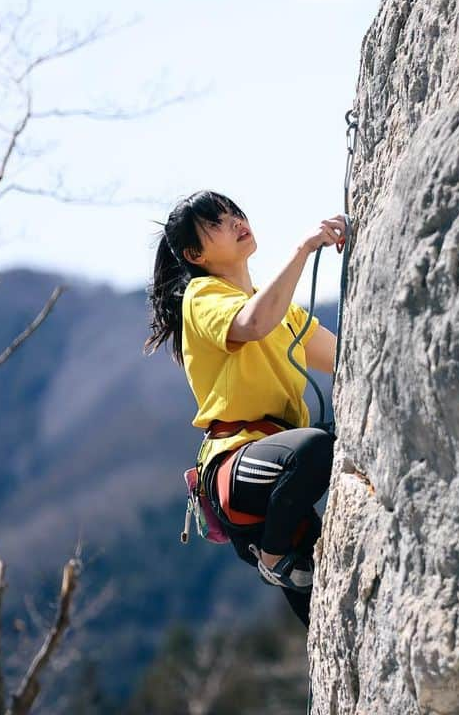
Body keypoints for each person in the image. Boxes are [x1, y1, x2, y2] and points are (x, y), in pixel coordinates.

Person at [144, 190, 344, 627]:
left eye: (235, 212)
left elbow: (346, 355)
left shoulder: (281, 312)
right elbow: (251, 324)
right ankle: (273, 559)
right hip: (237, 467)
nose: (235, 221)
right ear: (194, 254)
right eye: (217, 221)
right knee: (316, 447)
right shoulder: (202, 296)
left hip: (280, 477)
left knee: (330, 620)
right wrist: (304, 250)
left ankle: (282, 559)